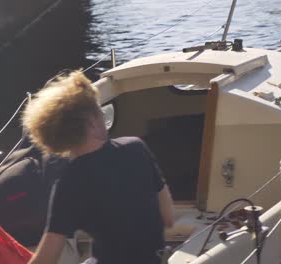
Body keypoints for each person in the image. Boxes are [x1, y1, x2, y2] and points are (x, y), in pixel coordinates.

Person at [23, 71, 174, 264]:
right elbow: (168, 218)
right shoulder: (136, 147)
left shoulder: (68, 182)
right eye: (100, 112)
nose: (103, 117)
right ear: (91, 122)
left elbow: (48, 257)